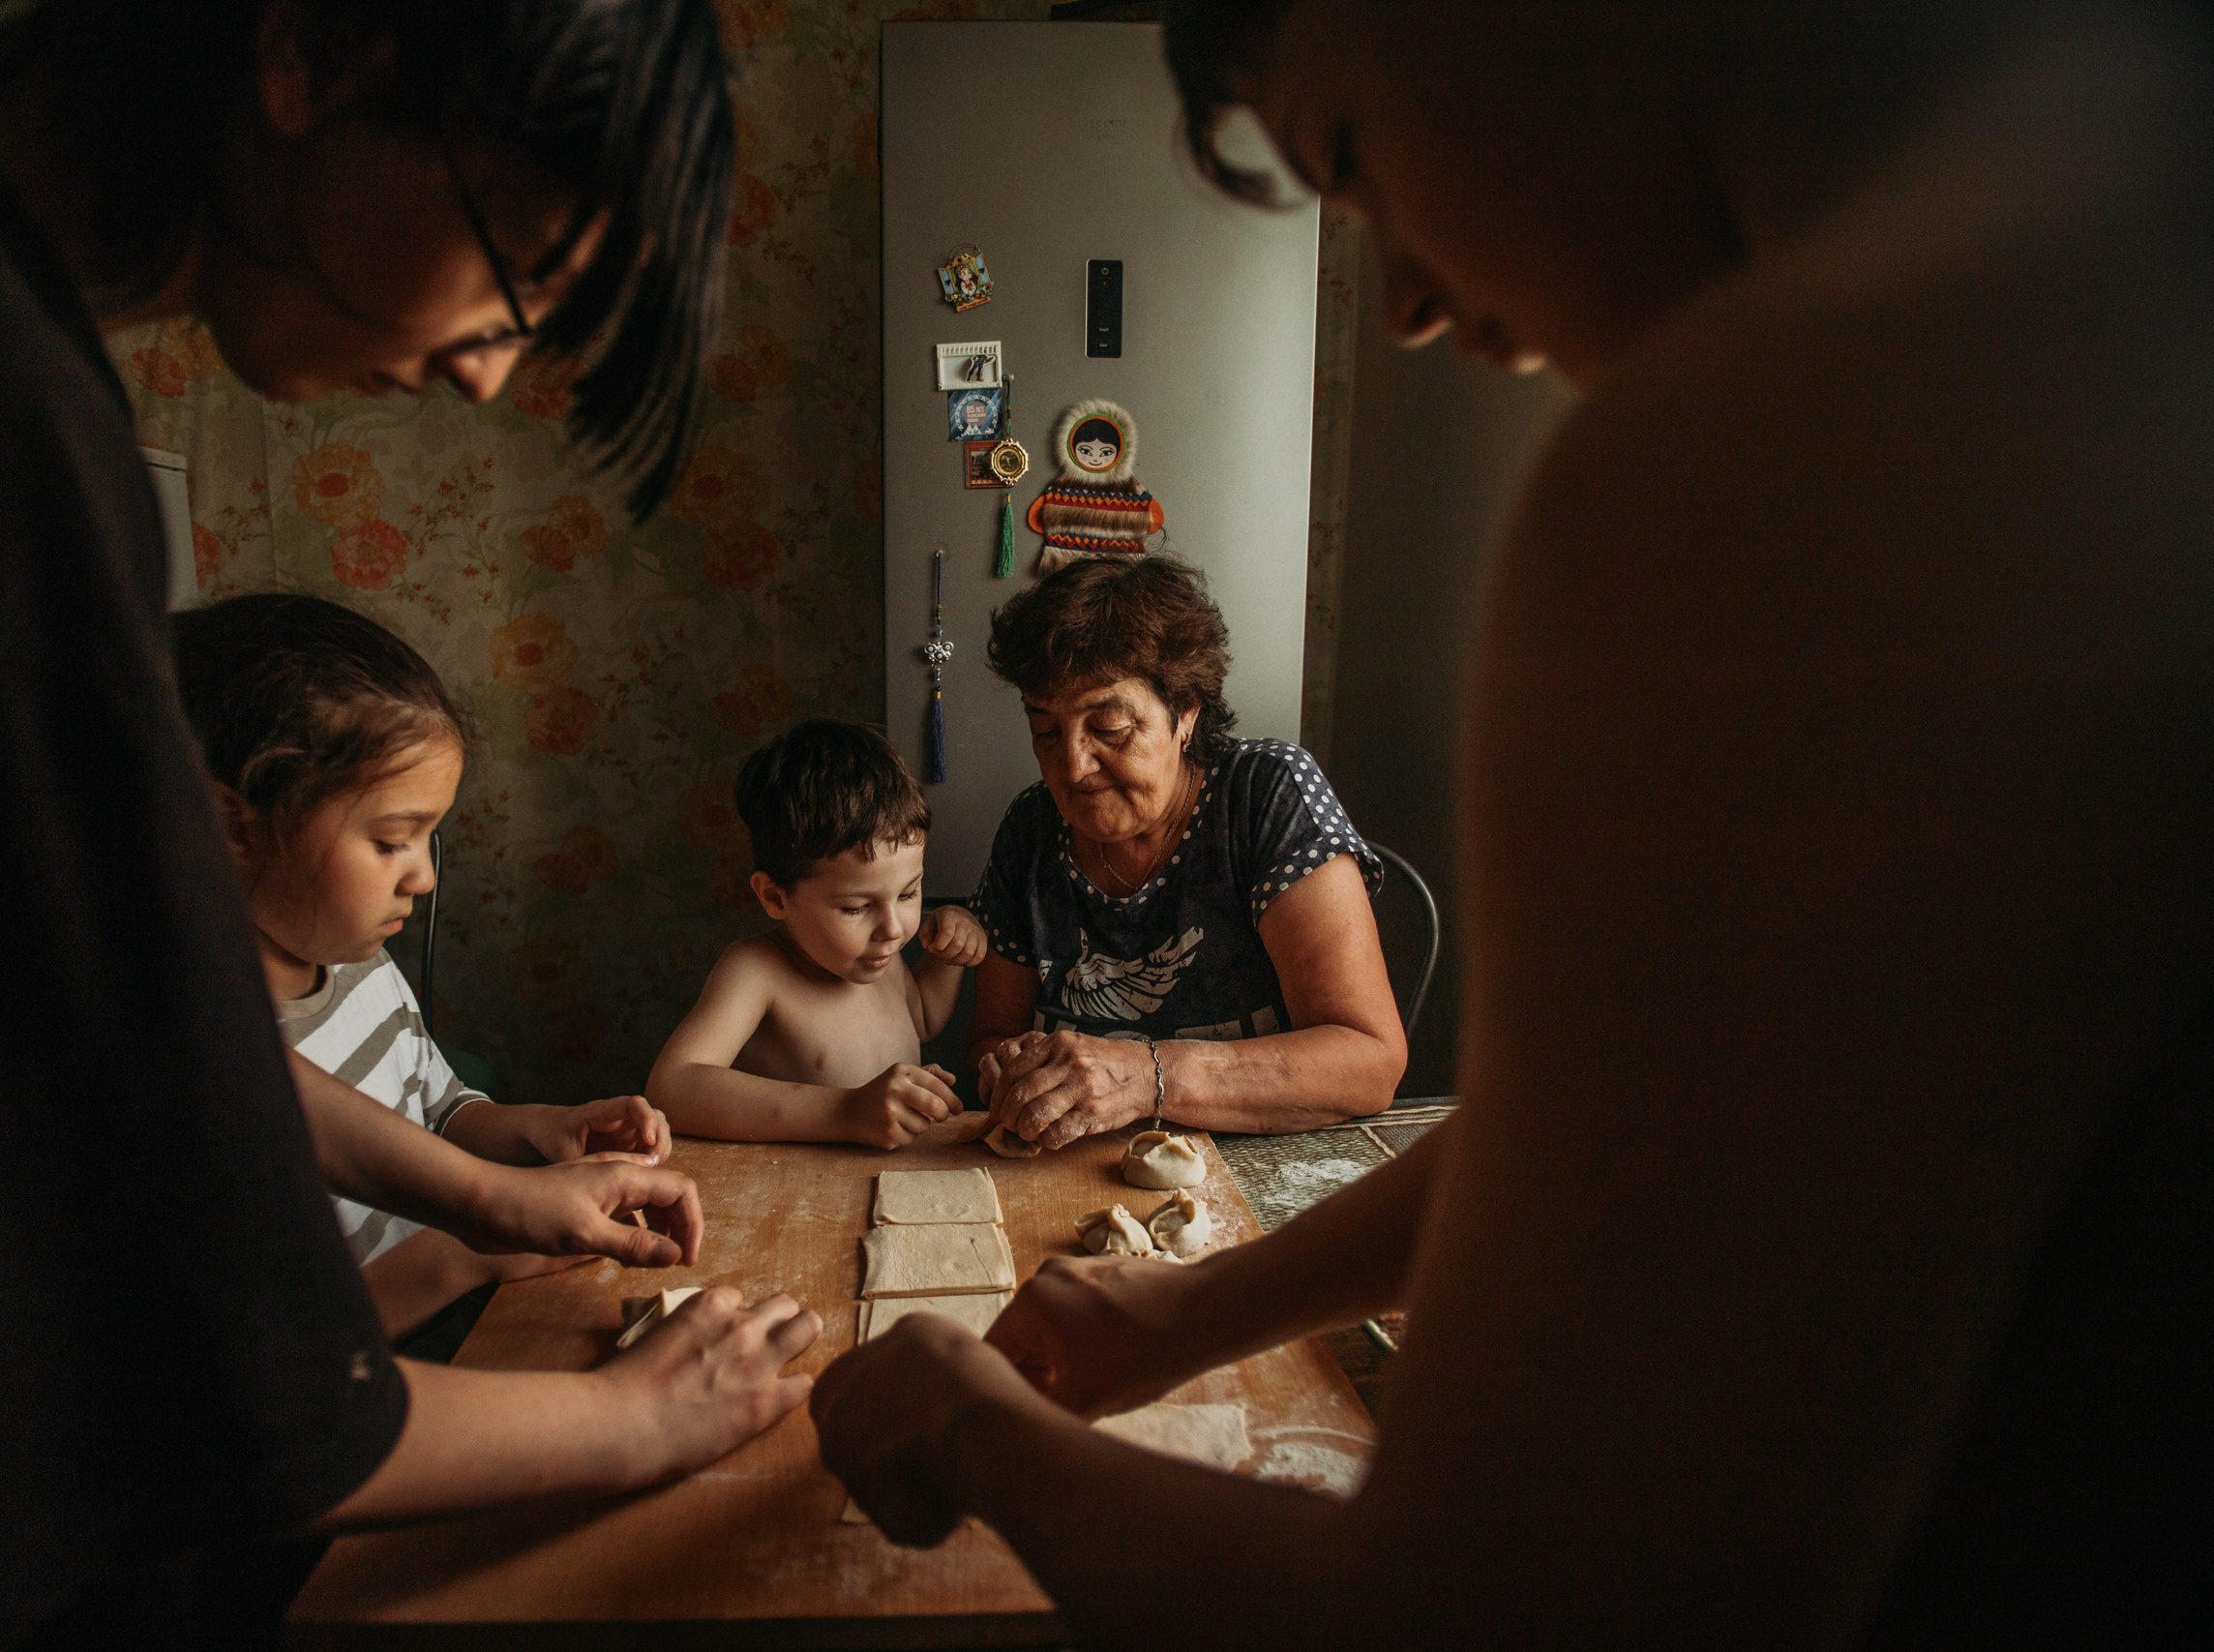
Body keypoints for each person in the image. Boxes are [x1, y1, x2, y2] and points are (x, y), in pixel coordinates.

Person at [814, 2, 2214, 1646]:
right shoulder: (2115, 220)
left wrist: (971, 1425)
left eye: (1350, 150)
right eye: (1047, 732)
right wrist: (1191, 1308)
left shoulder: (1790, 447)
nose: (1405, 298)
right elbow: (1634, 1128)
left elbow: (1479, 1600)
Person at [0, 3, 819, 1647]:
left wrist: (479, 1189)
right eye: (517, 272)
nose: (488, 370)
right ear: (317, 51)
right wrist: (642, 1414)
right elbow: (233, 1397)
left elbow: (141, 1037)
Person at [174, 591, 686, 1338]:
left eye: (428, 838)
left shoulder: (363, 969)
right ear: (232, 825)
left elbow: (440, 1111)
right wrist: (470, 1251)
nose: (423, 876)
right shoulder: (188, 1065)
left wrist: (542, 1130)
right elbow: (281, 1351)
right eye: (391, 841)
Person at [968, 556, 1407, 1144]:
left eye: (1110, 727)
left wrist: (1146, 1076)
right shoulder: (1030, 826)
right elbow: (991, 1036)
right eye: (1046, 732)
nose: (1072, 766)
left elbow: (1369, 1062)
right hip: (1073, 1157)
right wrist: (1007, 1071)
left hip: (1250, 1157)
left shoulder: (1264, 795)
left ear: (1186, 714)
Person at [647, 720, 991, 1147]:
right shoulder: (756, 971)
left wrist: (947, 956)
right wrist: (844, 1111)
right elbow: (672, 1088)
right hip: (795, 1183)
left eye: (908, 893)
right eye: (856, 908)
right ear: (775, 897)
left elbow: (922, 1021)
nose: (893, 928)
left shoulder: (878, 955)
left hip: (890, 1175)